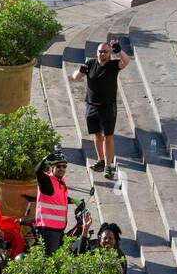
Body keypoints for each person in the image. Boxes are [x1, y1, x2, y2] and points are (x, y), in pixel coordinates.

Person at [71, 38, 131, 180]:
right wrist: (80, 71)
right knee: (97, 135)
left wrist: (119, 50)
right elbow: (75, 77)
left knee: (108, 137)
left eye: (105, 51)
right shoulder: (90, 64)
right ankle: (101, 160)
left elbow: (126, 62)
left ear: (109, 53)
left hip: (107, 107)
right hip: (92, 106)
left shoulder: (112, 65)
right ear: (96, 52)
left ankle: (109, 167)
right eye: (100, 51)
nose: (102, 54)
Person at [34, 153, 82, 254]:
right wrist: (45, 159)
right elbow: (37, 171)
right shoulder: (47, 180)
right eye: (58, 166)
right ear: (52, 167)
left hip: (58, 229)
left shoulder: (60, 181)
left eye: (64, 166)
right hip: (48, 229)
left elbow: (58, 198)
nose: (62, 168)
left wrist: (73, 200)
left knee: (59, 259)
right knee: (51, 261)